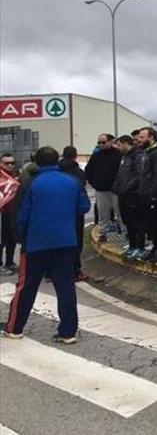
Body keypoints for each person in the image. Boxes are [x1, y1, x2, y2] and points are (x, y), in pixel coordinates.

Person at [2, 147, 90, 344]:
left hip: (36, 242)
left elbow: (21, 216)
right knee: (65, 286)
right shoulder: (73, 181)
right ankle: (68, 332)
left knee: (26, 286)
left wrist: (21, 238)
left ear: (37, 162)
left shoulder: (29, 183)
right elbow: (84, 207)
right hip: (66, 241)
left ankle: (15, 328)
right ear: (57, 161)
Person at [136, 128, 157, 264]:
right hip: (146, 194)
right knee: (152, 224)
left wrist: (154, 194)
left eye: (142, 137)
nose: (139, 139)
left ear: (151, 138)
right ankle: (155, 248)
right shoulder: (147, 152)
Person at [113, 135, 148, 260]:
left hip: (134, 195)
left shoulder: (137, 156)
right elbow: (121, 174)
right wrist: (116, 187)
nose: (117, 147)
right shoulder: (125, 157)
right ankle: (132, 246)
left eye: (119, 145)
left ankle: (140, 247)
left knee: (137, 222)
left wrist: (127, 187)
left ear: (126, 143)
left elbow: (140, 175)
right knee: (128, 221)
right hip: (123, 195)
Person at [85, 133, 123, 241]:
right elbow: (88, 170)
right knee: (103, 214)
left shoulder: (118, 155)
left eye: (103, 142)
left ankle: (126, 233)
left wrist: (118, 185)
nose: (101, 144)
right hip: (101, 190)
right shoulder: (96, 156)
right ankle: (103, 233)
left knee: (120, 213)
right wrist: (94, 183)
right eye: (99, 142)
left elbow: (123, 171)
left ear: (111, 142)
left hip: (115, 190)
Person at [59, 146, 88, 279]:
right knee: (76, 241)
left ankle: (53, 271)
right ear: (75, 156)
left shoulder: (56, 171)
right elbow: (82, 196)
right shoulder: (78, 173)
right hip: (75, 213)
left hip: (58, 213)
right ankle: (75, 270)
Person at [0, 152, 19, 275]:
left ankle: (9, 262)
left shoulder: (16, 175)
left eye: (13, 163)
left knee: (11, 239)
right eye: (7, 163)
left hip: (12, 213)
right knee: (1, 240)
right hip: (1, 212)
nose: (11, 165)